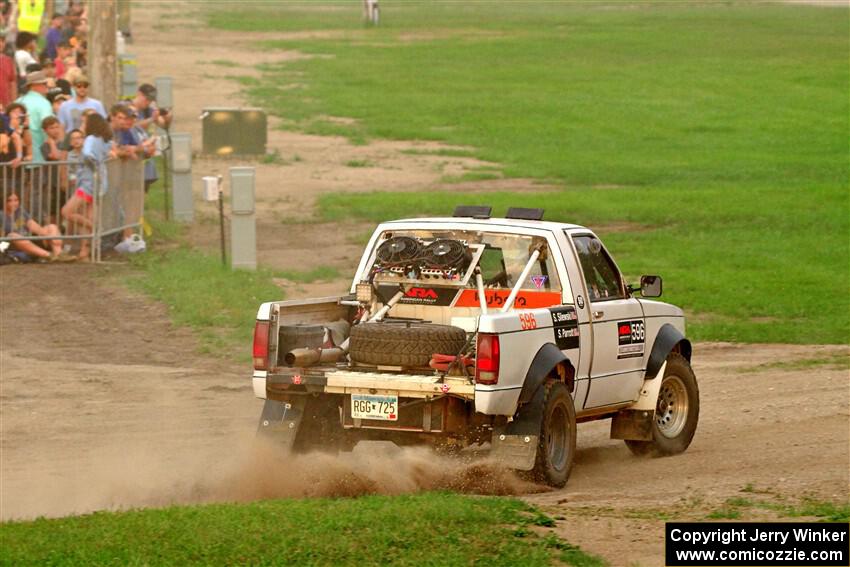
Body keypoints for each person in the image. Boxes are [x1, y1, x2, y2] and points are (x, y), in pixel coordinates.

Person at [61, 113, 112, 261]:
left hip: (88, 183)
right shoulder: (104, 140)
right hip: (98, 182)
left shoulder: (90, 139)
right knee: (86, 215)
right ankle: (85, 251)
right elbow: (108, 154)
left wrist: (94, 164)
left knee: (66, 212)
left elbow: (88, 154)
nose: (83, 125)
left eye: (85, 122)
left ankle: (96, 229)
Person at [2, 191, 73, 261]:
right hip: (12, 245)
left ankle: (59, 254)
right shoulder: (1, 215)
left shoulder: (20, 211)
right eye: (9, 201)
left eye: (16, 200)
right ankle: (49, 255)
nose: (14, 203)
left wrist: (48, 235)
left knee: (52, 227)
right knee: (13, 236)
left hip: (29, 240)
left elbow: (34, 226)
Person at [15, 70, 53, 162]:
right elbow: (48, 127)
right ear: (34, 86)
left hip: (19, 156)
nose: (46, 86)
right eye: (44, 83)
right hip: (39, 156)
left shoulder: (17, 102)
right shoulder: (43, 103)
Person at [0, 36, 16, 107]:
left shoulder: (8, 60)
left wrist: (14, 103)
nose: (0, 44)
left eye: (2, 41)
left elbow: (13, 83)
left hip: (6, 104)